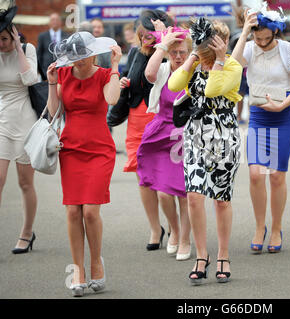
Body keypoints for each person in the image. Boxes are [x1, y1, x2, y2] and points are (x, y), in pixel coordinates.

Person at [46, 31, 122, 296]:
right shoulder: (63, 75)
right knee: (72, 211)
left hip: (99, 148)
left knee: (90, 211)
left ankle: (96, 262)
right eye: (75, 57)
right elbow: (54, 111)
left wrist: (114, 67)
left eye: (83, 57)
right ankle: (77, 269)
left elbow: (112, 100)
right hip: (70, 148)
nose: (79, 62)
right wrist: (50, 83)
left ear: (93, 54)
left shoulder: (103, 74)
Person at [168, 18, 242, 284]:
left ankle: (223, 254)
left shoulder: (232, 65)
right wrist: (190, 60)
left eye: (204, 46)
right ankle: (202, 255)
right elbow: (174, 86)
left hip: (224, 137)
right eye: (198, 45)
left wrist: (220, 59)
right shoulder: (196, 61)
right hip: (195, 137)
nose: (200, 49)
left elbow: (212, 90)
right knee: (194, 196)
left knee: (221, 200)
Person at [232, 3, 290, 254]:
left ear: (275, 33)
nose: (262, 42)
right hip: (258, 115)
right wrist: (244, 33)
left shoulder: (287, 50)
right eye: (258, 37)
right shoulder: (250, 48)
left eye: (267, 38)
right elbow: (233, 65)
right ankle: (259, 226)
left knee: (276, 175)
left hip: (283, 115)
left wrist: (284, 104)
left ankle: (276, 228)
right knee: (255, 174)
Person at [119, 10, 173, 251]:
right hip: (136, 119)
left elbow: (166, 78)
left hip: (160, 118)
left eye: (149, 33)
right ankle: (155, 228)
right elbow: (133, 78)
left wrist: (164, 41)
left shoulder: (171, 52)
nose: (145, 38)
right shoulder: (134, 53)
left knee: (164, 176)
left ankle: (174, 226)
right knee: (143, 178)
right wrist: (123, 81)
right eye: (142, 33)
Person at [138, 27, 192, 260]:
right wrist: (162, 45)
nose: (178, 56)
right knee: (163, 193)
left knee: (186, 193)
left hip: (187, 134)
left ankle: (186, 239)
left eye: (182, 52)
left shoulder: (194, 71)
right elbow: (148, 74)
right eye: (174, 52)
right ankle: (175, 230)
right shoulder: (162, 69)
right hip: (161, 133)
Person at [0, 2, 39, 255]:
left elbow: (30, 79)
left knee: (25, 182)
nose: (1, 44)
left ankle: (26, 233)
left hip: (25, 121)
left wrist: (18, 48)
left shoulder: (27, 48)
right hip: (1, 122)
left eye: (4, 39)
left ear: (13, 34)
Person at [36, 12, 69, 80]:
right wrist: (41, 72)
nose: (55, 22)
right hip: (46, 72)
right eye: (52, 20)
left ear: (60, 22)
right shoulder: (42, 36)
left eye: (57, 20)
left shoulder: (67, 36)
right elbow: (39, 55)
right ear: (49, 23)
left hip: (63, 71)